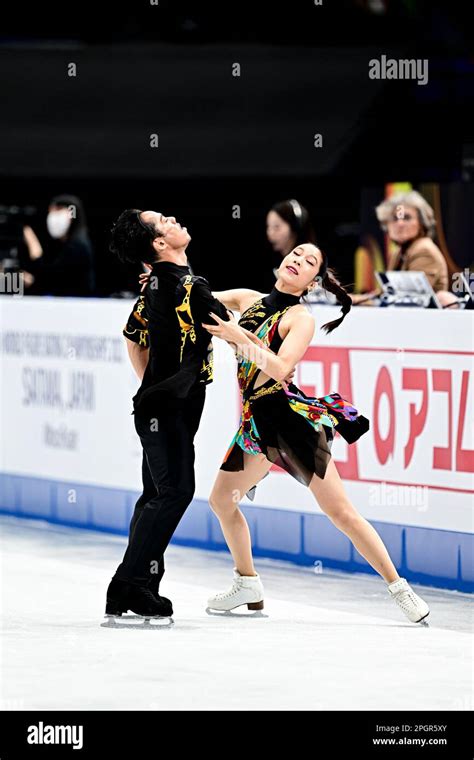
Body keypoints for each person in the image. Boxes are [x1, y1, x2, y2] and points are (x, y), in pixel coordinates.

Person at [202, 243, 430, 624]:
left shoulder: (300, 318)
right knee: (221, 500)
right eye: (296, 253)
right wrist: (163, 279)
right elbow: (200, 299)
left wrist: (235, 336)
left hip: (289, 422)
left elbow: (279, 367)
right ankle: (247, 582)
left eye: (310, 263)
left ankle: (399, 587)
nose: (298, 261)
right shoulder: (248, 299)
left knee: (340, 512)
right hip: (255, 424)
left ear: (312, 283)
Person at [105, 208, 232, 620]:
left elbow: (133, 337)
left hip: (161, 407)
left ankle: (141, 587)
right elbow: (230, 325)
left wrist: (155, 384)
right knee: (174, 491)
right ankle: (127, 583)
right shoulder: (185, 285)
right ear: (159, 244)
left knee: (156, 495)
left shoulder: (160, 286)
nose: (174, 219)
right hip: (167, 409)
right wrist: (164, 388)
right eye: (164, 221)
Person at [375, 190, 457, 307]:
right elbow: (384, 293)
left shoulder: (424, 249)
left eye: (407, 217)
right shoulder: (398, 252)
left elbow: (407, 296)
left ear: (422, 222)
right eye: (395, 218)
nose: (400, 224)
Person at [22, 194, 95, 296]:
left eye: (58, 210)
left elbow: (51, 279)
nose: (52, 215)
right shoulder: (64, 244)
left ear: (72, 214)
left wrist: (34, 247)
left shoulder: (78, 245)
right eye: (51, 211)